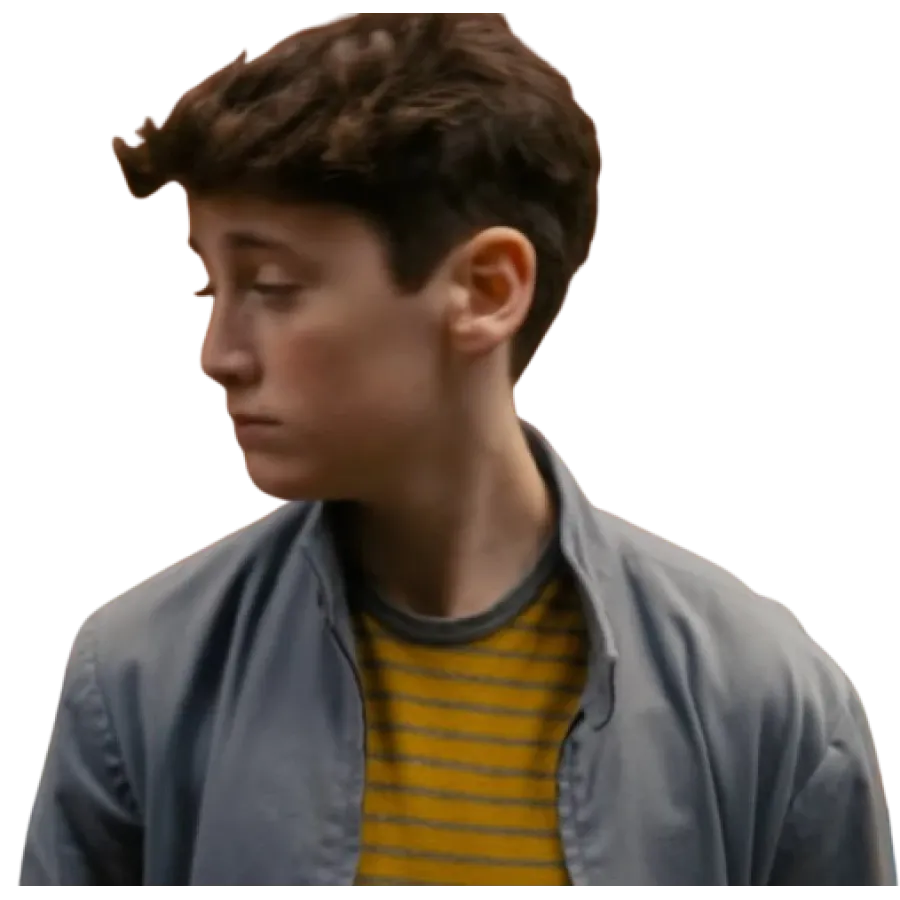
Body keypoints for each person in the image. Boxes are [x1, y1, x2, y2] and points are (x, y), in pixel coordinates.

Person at [19, 11, 896, 888]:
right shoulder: (139, 679)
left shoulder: (766, 702)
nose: (216, 355)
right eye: (208, 288)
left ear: (486, 290)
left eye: (273, 286)